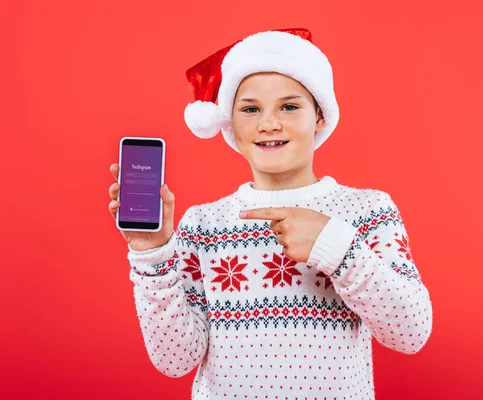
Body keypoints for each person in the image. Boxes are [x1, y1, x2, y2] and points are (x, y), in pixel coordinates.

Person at [108, 28, 432, 399]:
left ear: (320, 116)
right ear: (230, 122)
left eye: (289, 106)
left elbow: (411, 332)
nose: (268, 123)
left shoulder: (367, 211)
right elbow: (175, 359)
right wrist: (152, 255)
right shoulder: (203, 225)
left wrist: (335, 245)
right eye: (250, 109)